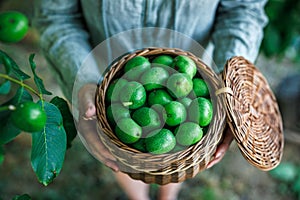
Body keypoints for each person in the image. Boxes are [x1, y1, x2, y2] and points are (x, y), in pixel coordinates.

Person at [33, 0, 268, 199]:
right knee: (121, 150)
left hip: (192, 74)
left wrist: (230, 84)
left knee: (180, 152)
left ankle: (168, 194)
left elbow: (244, 9)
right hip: (105, 82)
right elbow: (56, 16)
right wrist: (83, 79)